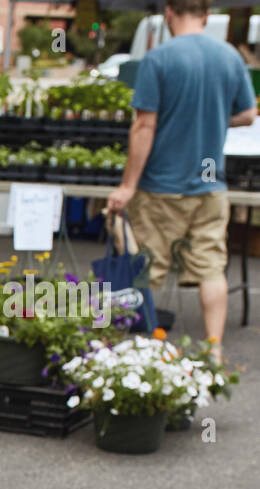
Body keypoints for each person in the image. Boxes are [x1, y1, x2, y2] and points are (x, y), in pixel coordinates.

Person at [105, 0, 257, 359]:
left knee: (146, 270)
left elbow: (144, 125)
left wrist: (127, 185)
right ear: (206, 16)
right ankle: (214, 349)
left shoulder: (159, 59)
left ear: (169, 13)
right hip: (209, 181)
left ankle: (142, 351)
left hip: (161, 183)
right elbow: (249, 114)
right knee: (210, 268)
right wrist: (218, 119)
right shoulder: (230, 57)